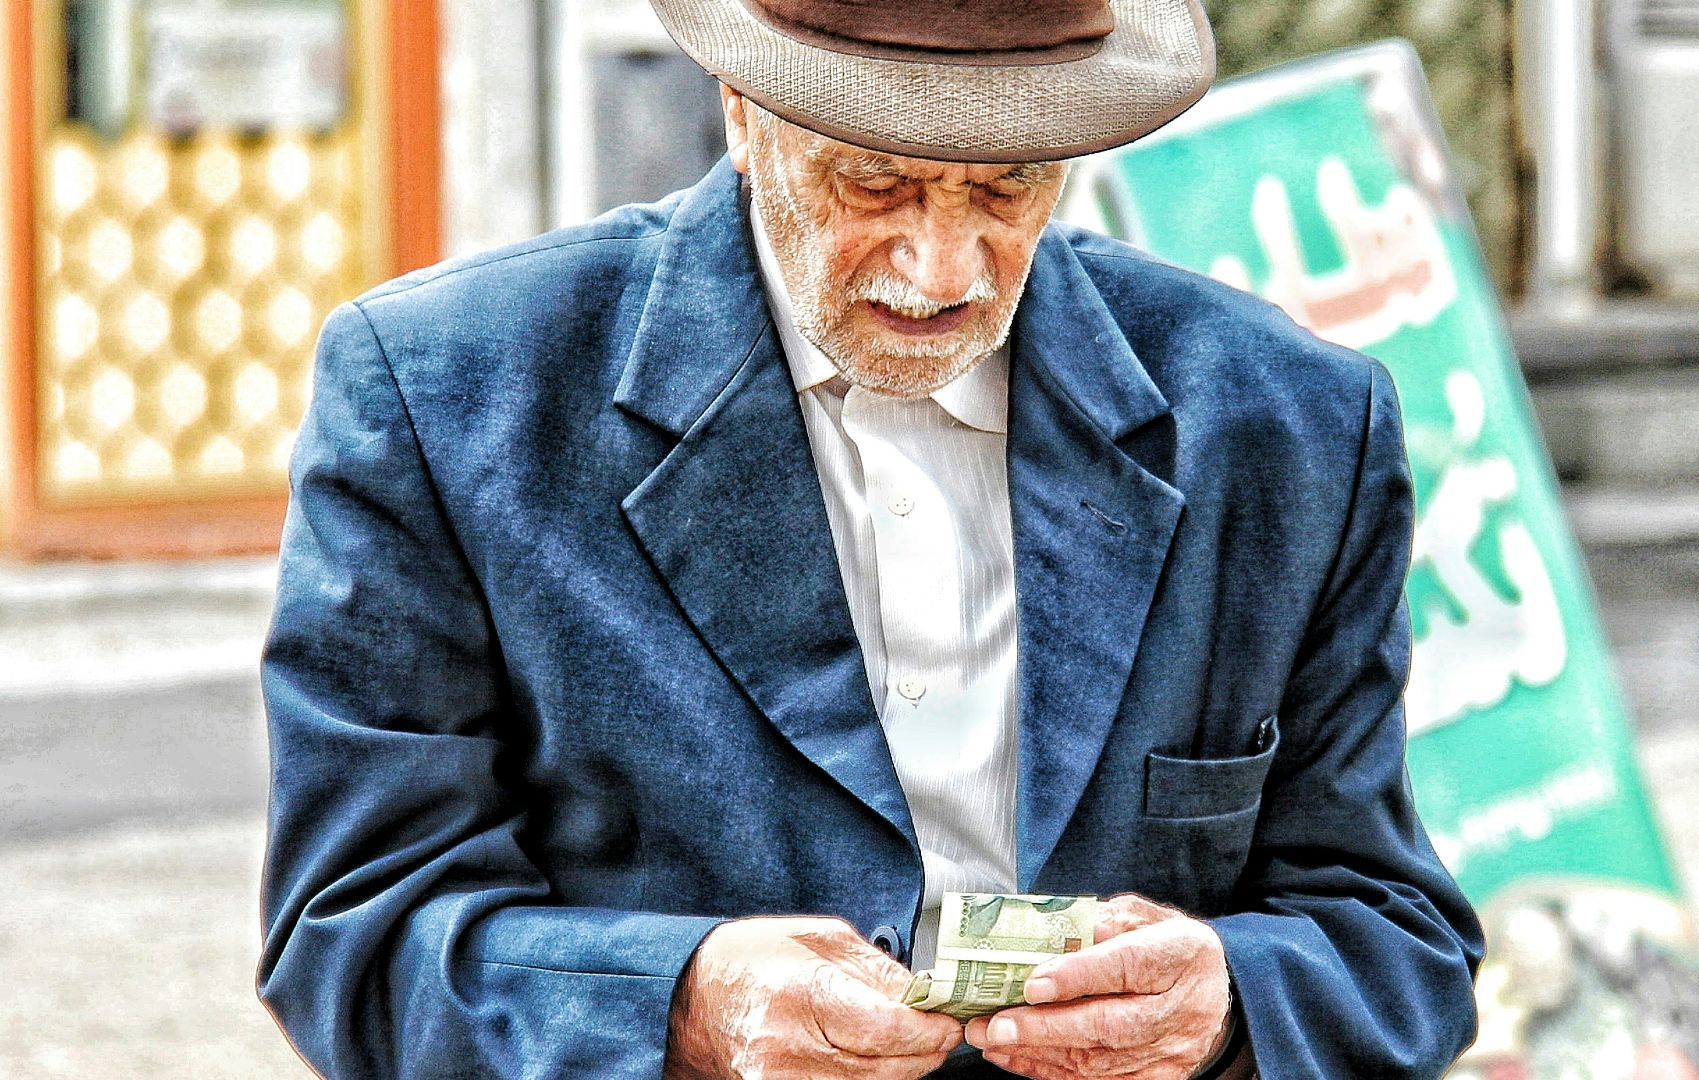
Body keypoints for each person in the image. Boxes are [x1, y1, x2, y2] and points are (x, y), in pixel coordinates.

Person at [256, 0, 1483, 1077]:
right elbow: (352, 932)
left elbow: (1393, 936)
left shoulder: (1292, 428)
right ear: (743, 112)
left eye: (1009, 184)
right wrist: (681, 1005)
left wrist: (1225, 1006)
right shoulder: (440, 397)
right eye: (874, 182)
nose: (942, 265)